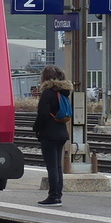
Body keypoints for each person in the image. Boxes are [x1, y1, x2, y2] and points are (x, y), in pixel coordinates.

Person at [32, 64, 73, 206]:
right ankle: (58, 196)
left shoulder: (47, 93)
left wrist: (36, 129)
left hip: (49, 134)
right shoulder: (64, 92)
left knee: (52, 167)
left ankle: (53, 196)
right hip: (62, 132)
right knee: (58, 167)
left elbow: (42, 115)